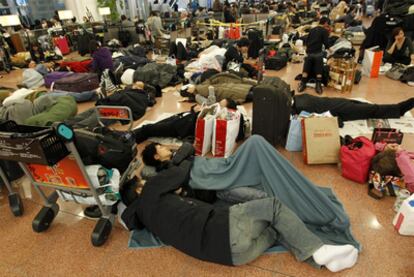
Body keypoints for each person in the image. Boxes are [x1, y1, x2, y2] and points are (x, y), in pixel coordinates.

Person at [122, 135, 360, 271]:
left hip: (234, 257)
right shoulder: (154, 187)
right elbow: (184, 170)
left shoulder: (145, 219)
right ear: (141, 187)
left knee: (278, 226)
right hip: (227, 232)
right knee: (274, 207)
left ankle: (315, 257)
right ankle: (318, 251)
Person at [297, 16, 331, 94]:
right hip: (317, 54)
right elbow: (326, 44)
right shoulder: (324, 31)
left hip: (309, 52)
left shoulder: (312, 30)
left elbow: (307, 40)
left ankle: (303, 83)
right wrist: (331, 51)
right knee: (319, 65)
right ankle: (318, 85)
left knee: (307, 65)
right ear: (325, 23)